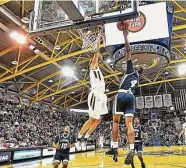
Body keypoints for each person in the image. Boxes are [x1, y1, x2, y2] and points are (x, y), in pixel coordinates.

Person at [112, 21, 143, 165]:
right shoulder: (137, 78)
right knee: (129, 123)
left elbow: (128, 50)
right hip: (131, 96)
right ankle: (131, 148)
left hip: (122, 94)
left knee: (115, 121)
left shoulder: (131, 70)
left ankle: (114, 147)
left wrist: (125, 35)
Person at [75, 28, 108, 148]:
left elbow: (97, 55)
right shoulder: (93, 68)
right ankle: (79, 138)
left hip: (102, 96)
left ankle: (87, 137)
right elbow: (96, 54)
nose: (96, 60)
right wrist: (99, 37)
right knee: (91, 119)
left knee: (99, 119)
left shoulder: (98, 69)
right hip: (96, 94)